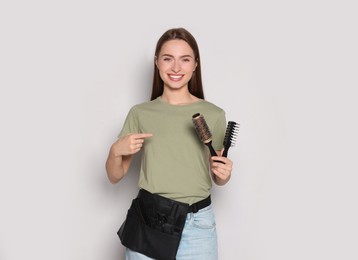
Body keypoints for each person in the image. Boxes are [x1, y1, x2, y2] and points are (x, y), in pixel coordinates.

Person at [106, 27, 233, 260]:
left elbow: (217, 174)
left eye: (185, 60)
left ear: (195, 64)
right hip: (149, 220)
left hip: (197, 226)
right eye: (168, 59)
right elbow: (115, 176)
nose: (176, 68)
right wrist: (115, 151)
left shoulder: (213, 115)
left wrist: (223, 175)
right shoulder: (140, 113)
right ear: (157, 63)